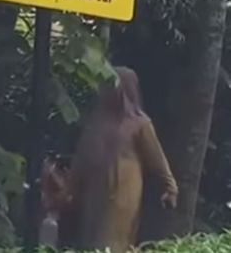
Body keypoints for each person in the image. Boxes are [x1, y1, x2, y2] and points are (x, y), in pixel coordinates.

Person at [67, 67, 178, 252]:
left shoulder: (140, 124)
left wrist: (170, 188)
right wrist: (70, 188)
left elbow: (158, 161)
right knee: (90, 238)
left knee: (114, 239)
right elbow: (81, 158)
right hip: (95, 191)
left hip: (123, 192)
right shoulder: (96, 121)